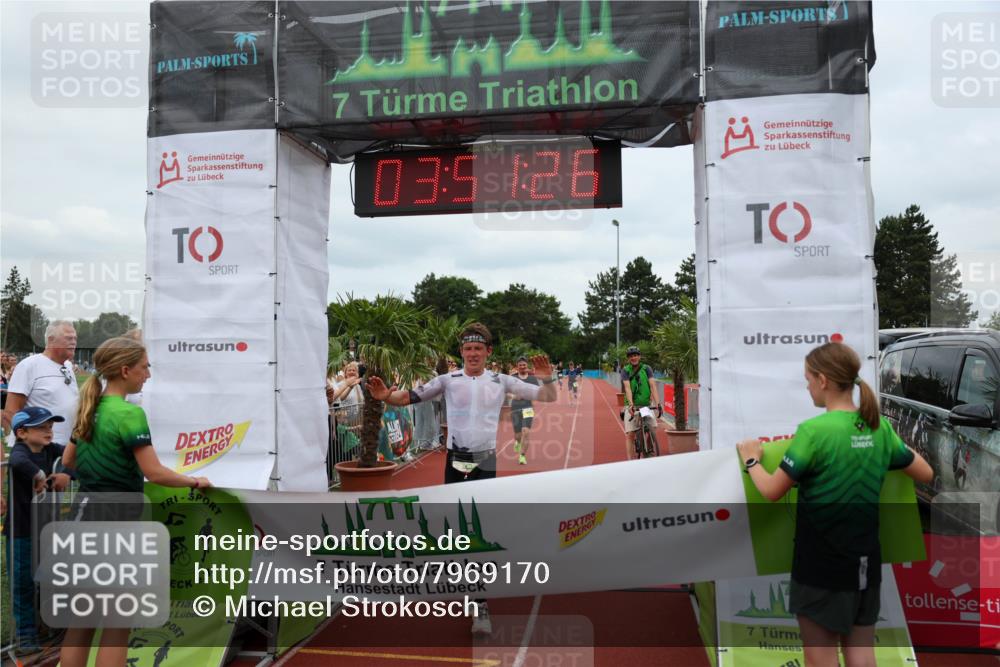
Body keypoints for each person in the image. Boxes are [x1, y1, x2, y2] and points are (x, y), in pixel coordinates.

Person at [737, 342, 933, 667]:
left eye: (808, 379)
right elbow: (925, 472)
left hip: (820, 567)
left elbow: (771, 491)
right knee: (862, 657)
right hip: (866, 562)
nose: (807, 386)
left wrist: (751, 460)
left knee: (821, 661)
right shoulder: (879, 427)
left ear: (823, 380)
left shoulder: (814, 432)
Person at [368, 322, 557, 635]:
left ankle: (480, 604)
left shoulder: (501, 380)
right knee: (457, 531)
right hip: (456, 463)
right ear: (462, 352)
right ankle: (466, 583)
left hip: (485, 463)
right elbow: (407, 398)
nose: (473, 354)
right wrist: (386, 395)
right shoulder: (447, 380)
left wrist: (548, 376)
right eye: (468, 349)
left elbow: (548, 396)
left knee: (480, 530)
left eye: (478, 349)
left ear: (487, 352)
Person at [59, 336, 211, 667]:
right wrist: (194, 480)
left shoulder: (90, 407)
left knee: (81, 623)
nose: (149, 374)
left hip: (82, 519)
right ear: (125, 370)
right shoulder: (130, 414)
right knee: (116, 626)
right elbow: (154, 472)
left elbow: (68, 461)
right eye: (145, 367)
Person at [5, 407, 73, 655]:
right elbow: (15, 460)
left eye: (50, 426)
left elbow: (71, 457)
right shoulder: (21, 451)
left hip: (47, 531)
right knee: (22, 582)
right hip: (21, 530)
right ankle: (25, 635)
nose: (49, 431)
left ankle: (49, 628)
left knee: (49, 578)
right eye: (42, 427)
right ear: (22, 432)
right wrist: (39, 474)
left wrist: (65, 473)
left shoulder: (51, 449)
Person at [3, 320, 80, 447]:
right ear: (51, 340)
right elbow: (11, 412)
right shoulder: (28, 366)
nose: (73, 342)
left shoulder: (68, 366)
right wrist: (30, 444)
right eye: (68, 338)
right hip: (39, 450)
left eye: (75, 338)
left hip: (67, 447)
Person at [621, 346, 661, 457]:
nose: (633, 358)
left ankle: (648, 449)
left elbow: (652, 386)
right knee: (630, 434)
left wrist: (658, 403)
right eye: (631, 356)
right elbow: (627, 388)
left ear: (639, 356)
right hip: (632, 405)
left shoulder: (646, 368)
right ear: (628, 358)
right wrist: (631, 405)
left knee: (653, 427)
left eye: (635, 355)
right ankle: (630, 461)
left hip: (646, 405)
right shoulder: (625, 371)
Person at [509, 357, 540, 465]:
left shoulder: (532, 379)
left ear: (527, 366)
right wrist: (513, 396)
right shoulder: (512, 378)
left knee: (526, 432)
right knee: (518, 435)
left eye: (524, 365)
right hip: (515, 408)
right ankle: (517, 442)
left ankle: (522, 456)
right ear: (517, 366)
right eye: (520, 365)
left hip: (528, 407)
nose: (522, 367)